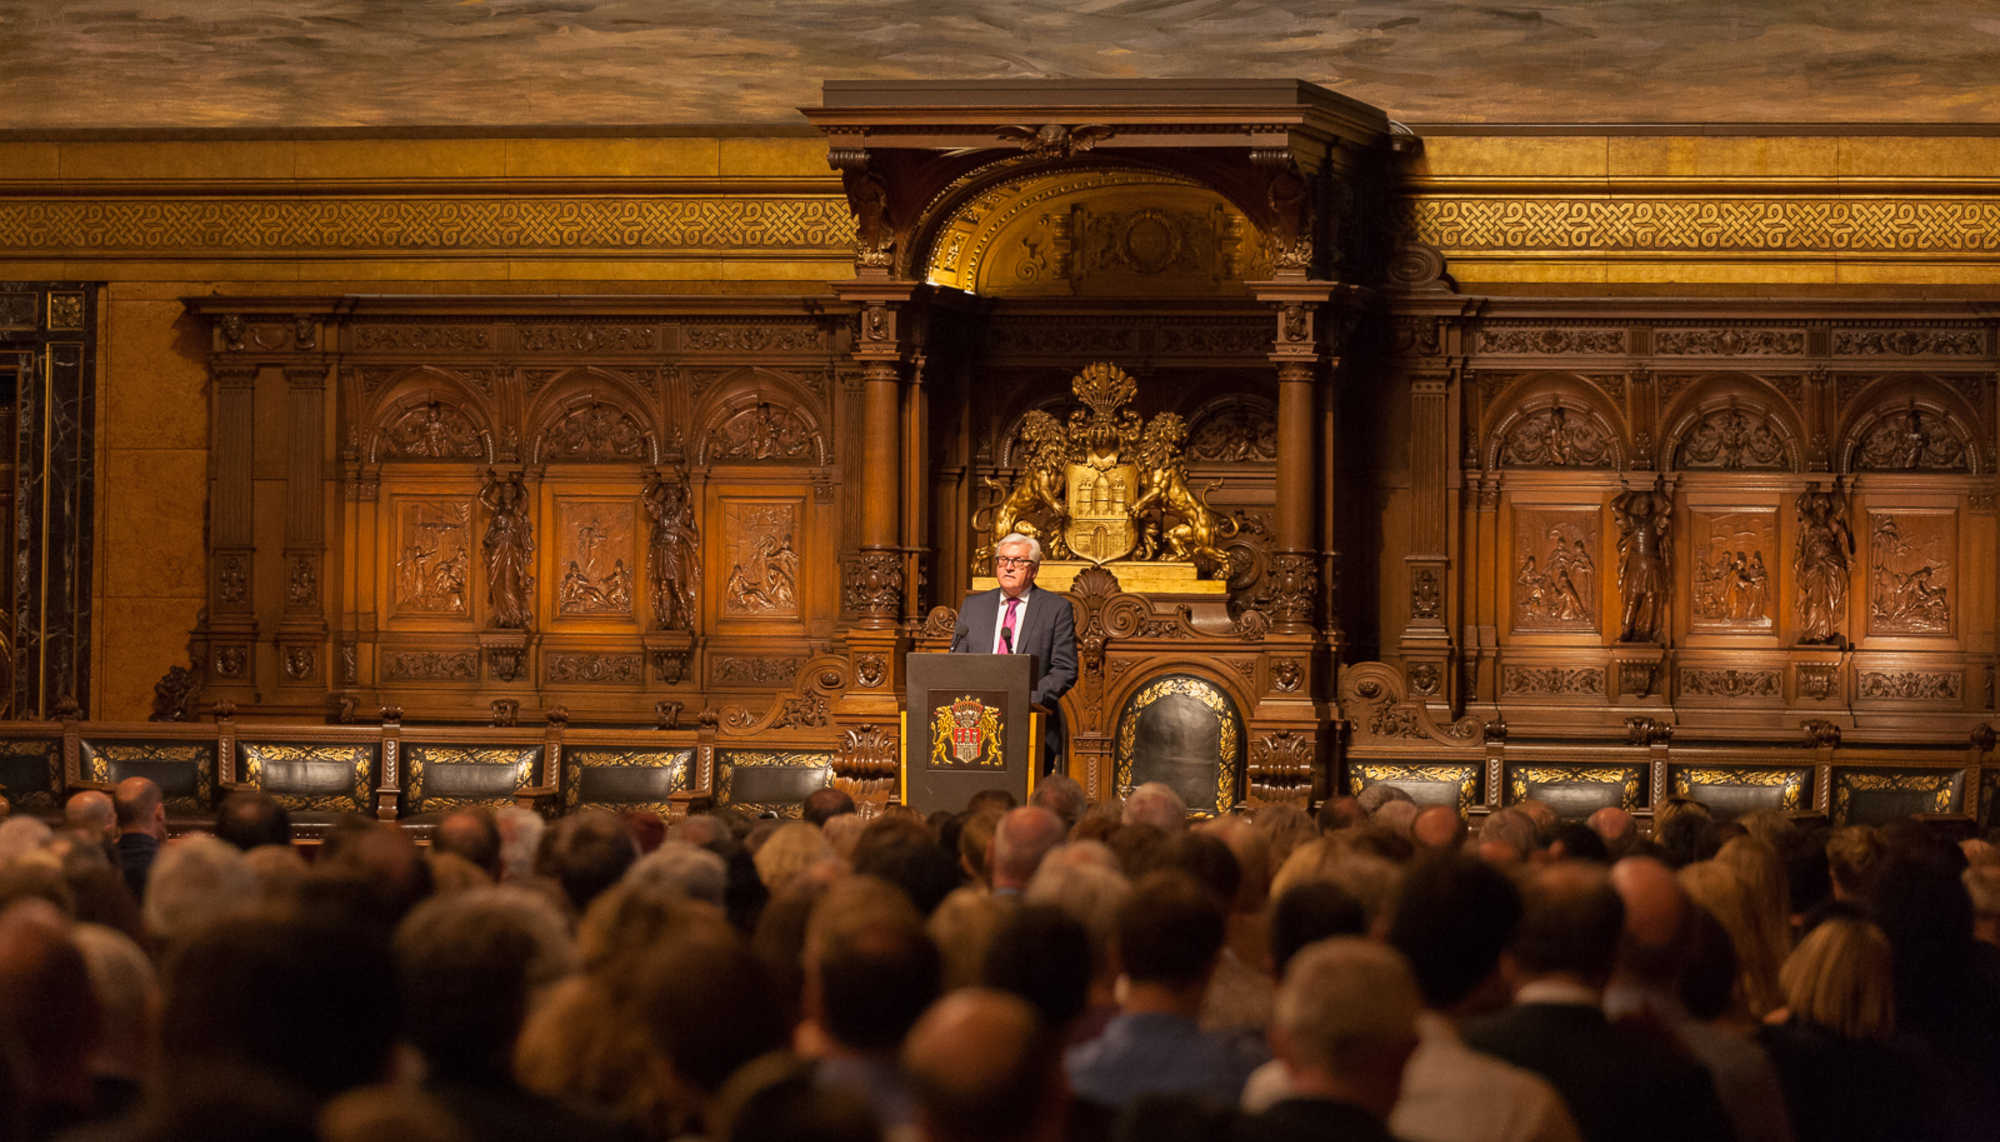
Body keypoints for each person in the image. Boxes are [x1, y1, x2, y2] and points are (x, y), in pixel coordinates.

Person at [949, 533, 1077, 774]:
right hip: (976, 724)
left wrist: (1027, 699)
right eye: (1002, 560)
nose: (1008, 567)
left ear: (1034, 570)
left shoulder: (1055, 609)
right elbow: (958, 662)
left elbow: (1065, 669)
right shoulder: (973, 606)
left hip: (1030, 723)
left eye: (1018, 561)